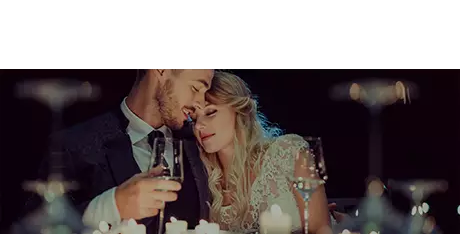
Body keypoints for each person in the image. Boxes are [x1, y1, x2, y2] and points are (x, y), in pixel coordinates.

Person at [25, 69, 214, 232]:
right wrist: (111, 206)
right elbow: (36, 227)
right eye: (195, 88)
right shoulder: (74, 143)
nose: (201, 103)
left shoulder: (199, 146)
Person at [192, 71, 331, 234]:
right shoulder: (203, 181)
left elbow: (321, 229)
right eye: (193, 119)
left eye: (210, 112)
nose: (198, 125)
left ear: (239, 109)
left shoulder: (287, 153)